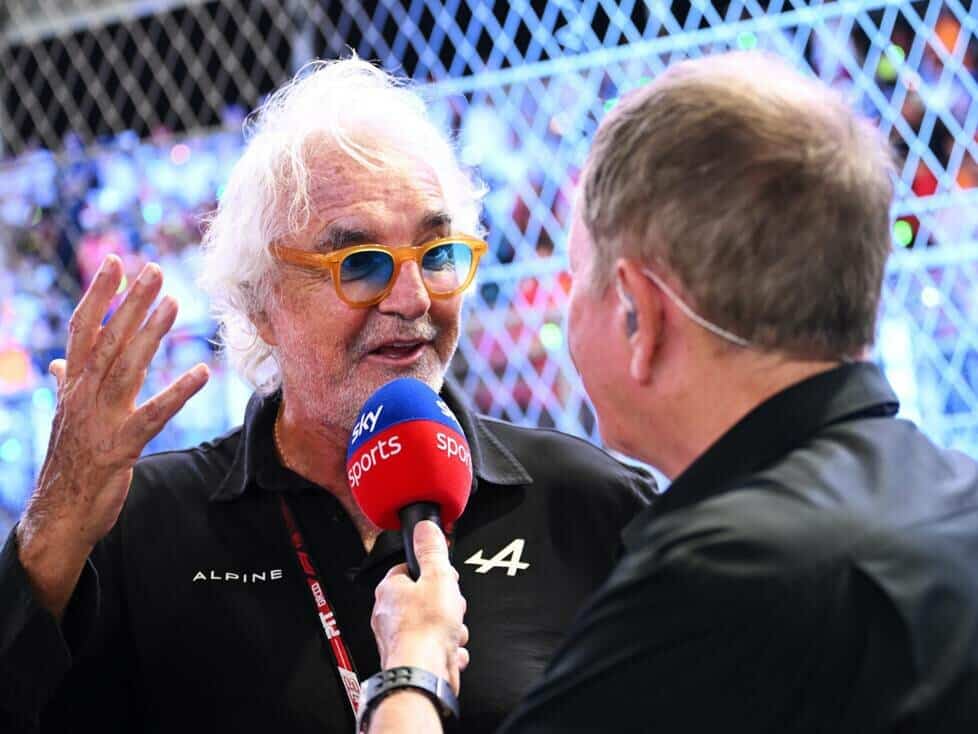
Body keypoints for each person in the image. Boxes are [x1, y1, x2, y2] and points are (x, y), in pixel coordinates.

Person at [0, 59, 654, 733]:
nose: (412, 300)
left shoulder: (585, 504)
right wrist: (52, 527)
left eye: (437, 255)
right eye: (360, 265)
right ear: (260, 303)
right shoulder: (141, 528)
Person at [365, 51, 978, 733]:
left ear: (638, 314)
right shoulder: (959, 497)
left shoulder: (720, 582)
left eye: (578, 277)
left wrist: (411, 667)